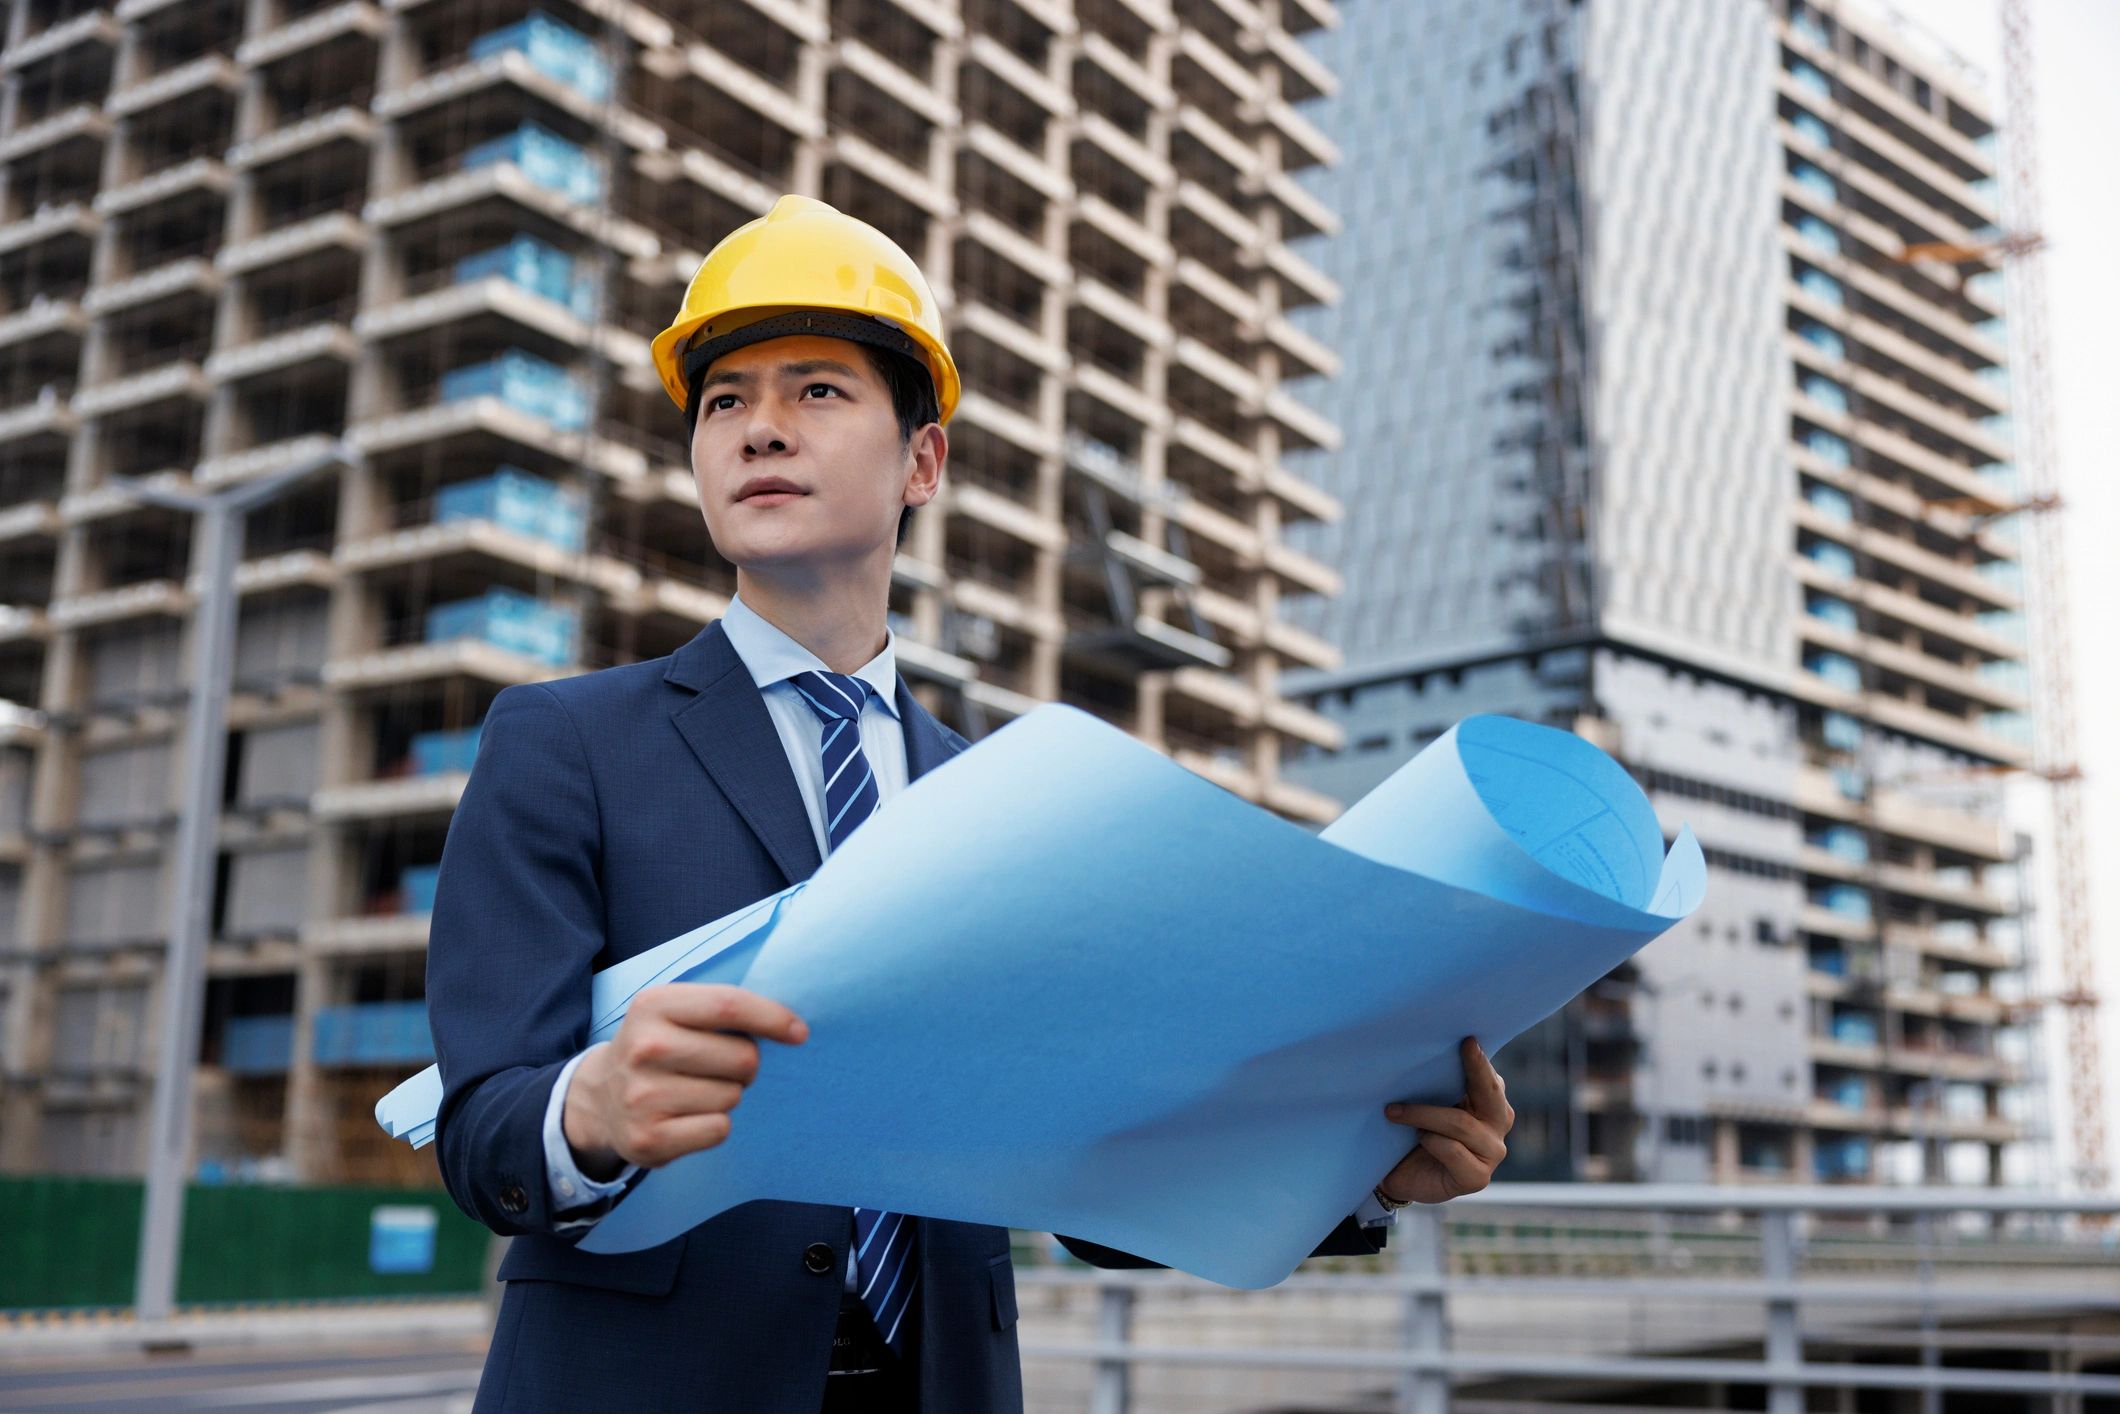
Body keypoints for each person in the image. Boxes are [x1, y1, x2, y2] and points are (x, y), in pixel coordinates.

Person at [425, 195, 1516, 1414]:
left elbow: (1088, 1180)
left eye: (816, 391)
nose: (757, 428)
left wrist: (1351, 1169)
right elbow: (482, 1130)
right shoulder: (563, 742)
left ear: (922, 462)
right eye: (724, 399)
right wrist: (590, 1110)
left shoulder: (1011, 806)